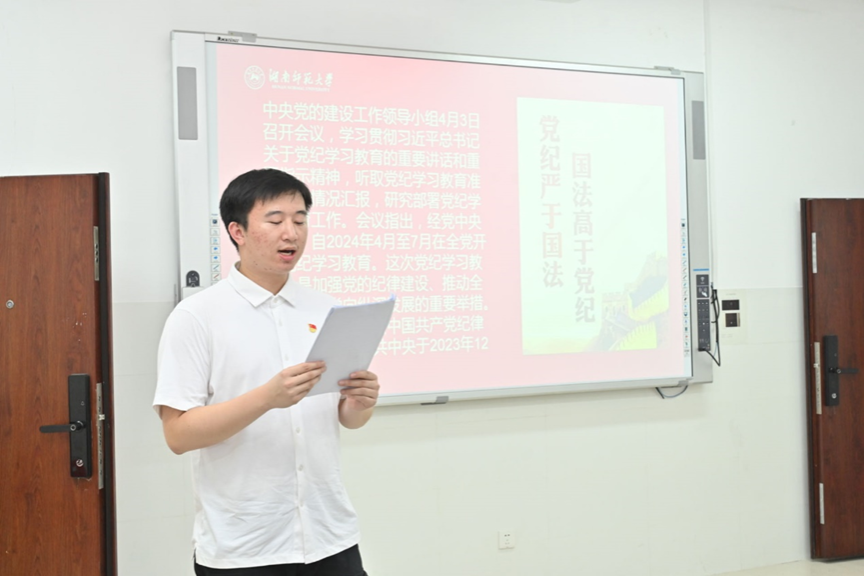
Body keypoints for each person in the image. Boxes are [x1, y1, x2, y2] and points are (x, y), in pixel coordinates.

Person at [153, 168, 378, 576]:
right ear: (237, 231)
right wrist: (266, 399)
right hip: (245, 548)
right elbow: (178, 435)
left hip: (330, 536)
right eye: (275, 221)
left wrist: (359, 403)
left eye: (300, 220)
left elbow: (347, 419)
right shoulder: (197, 317)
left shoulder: (326, 309)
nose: (291, 233)